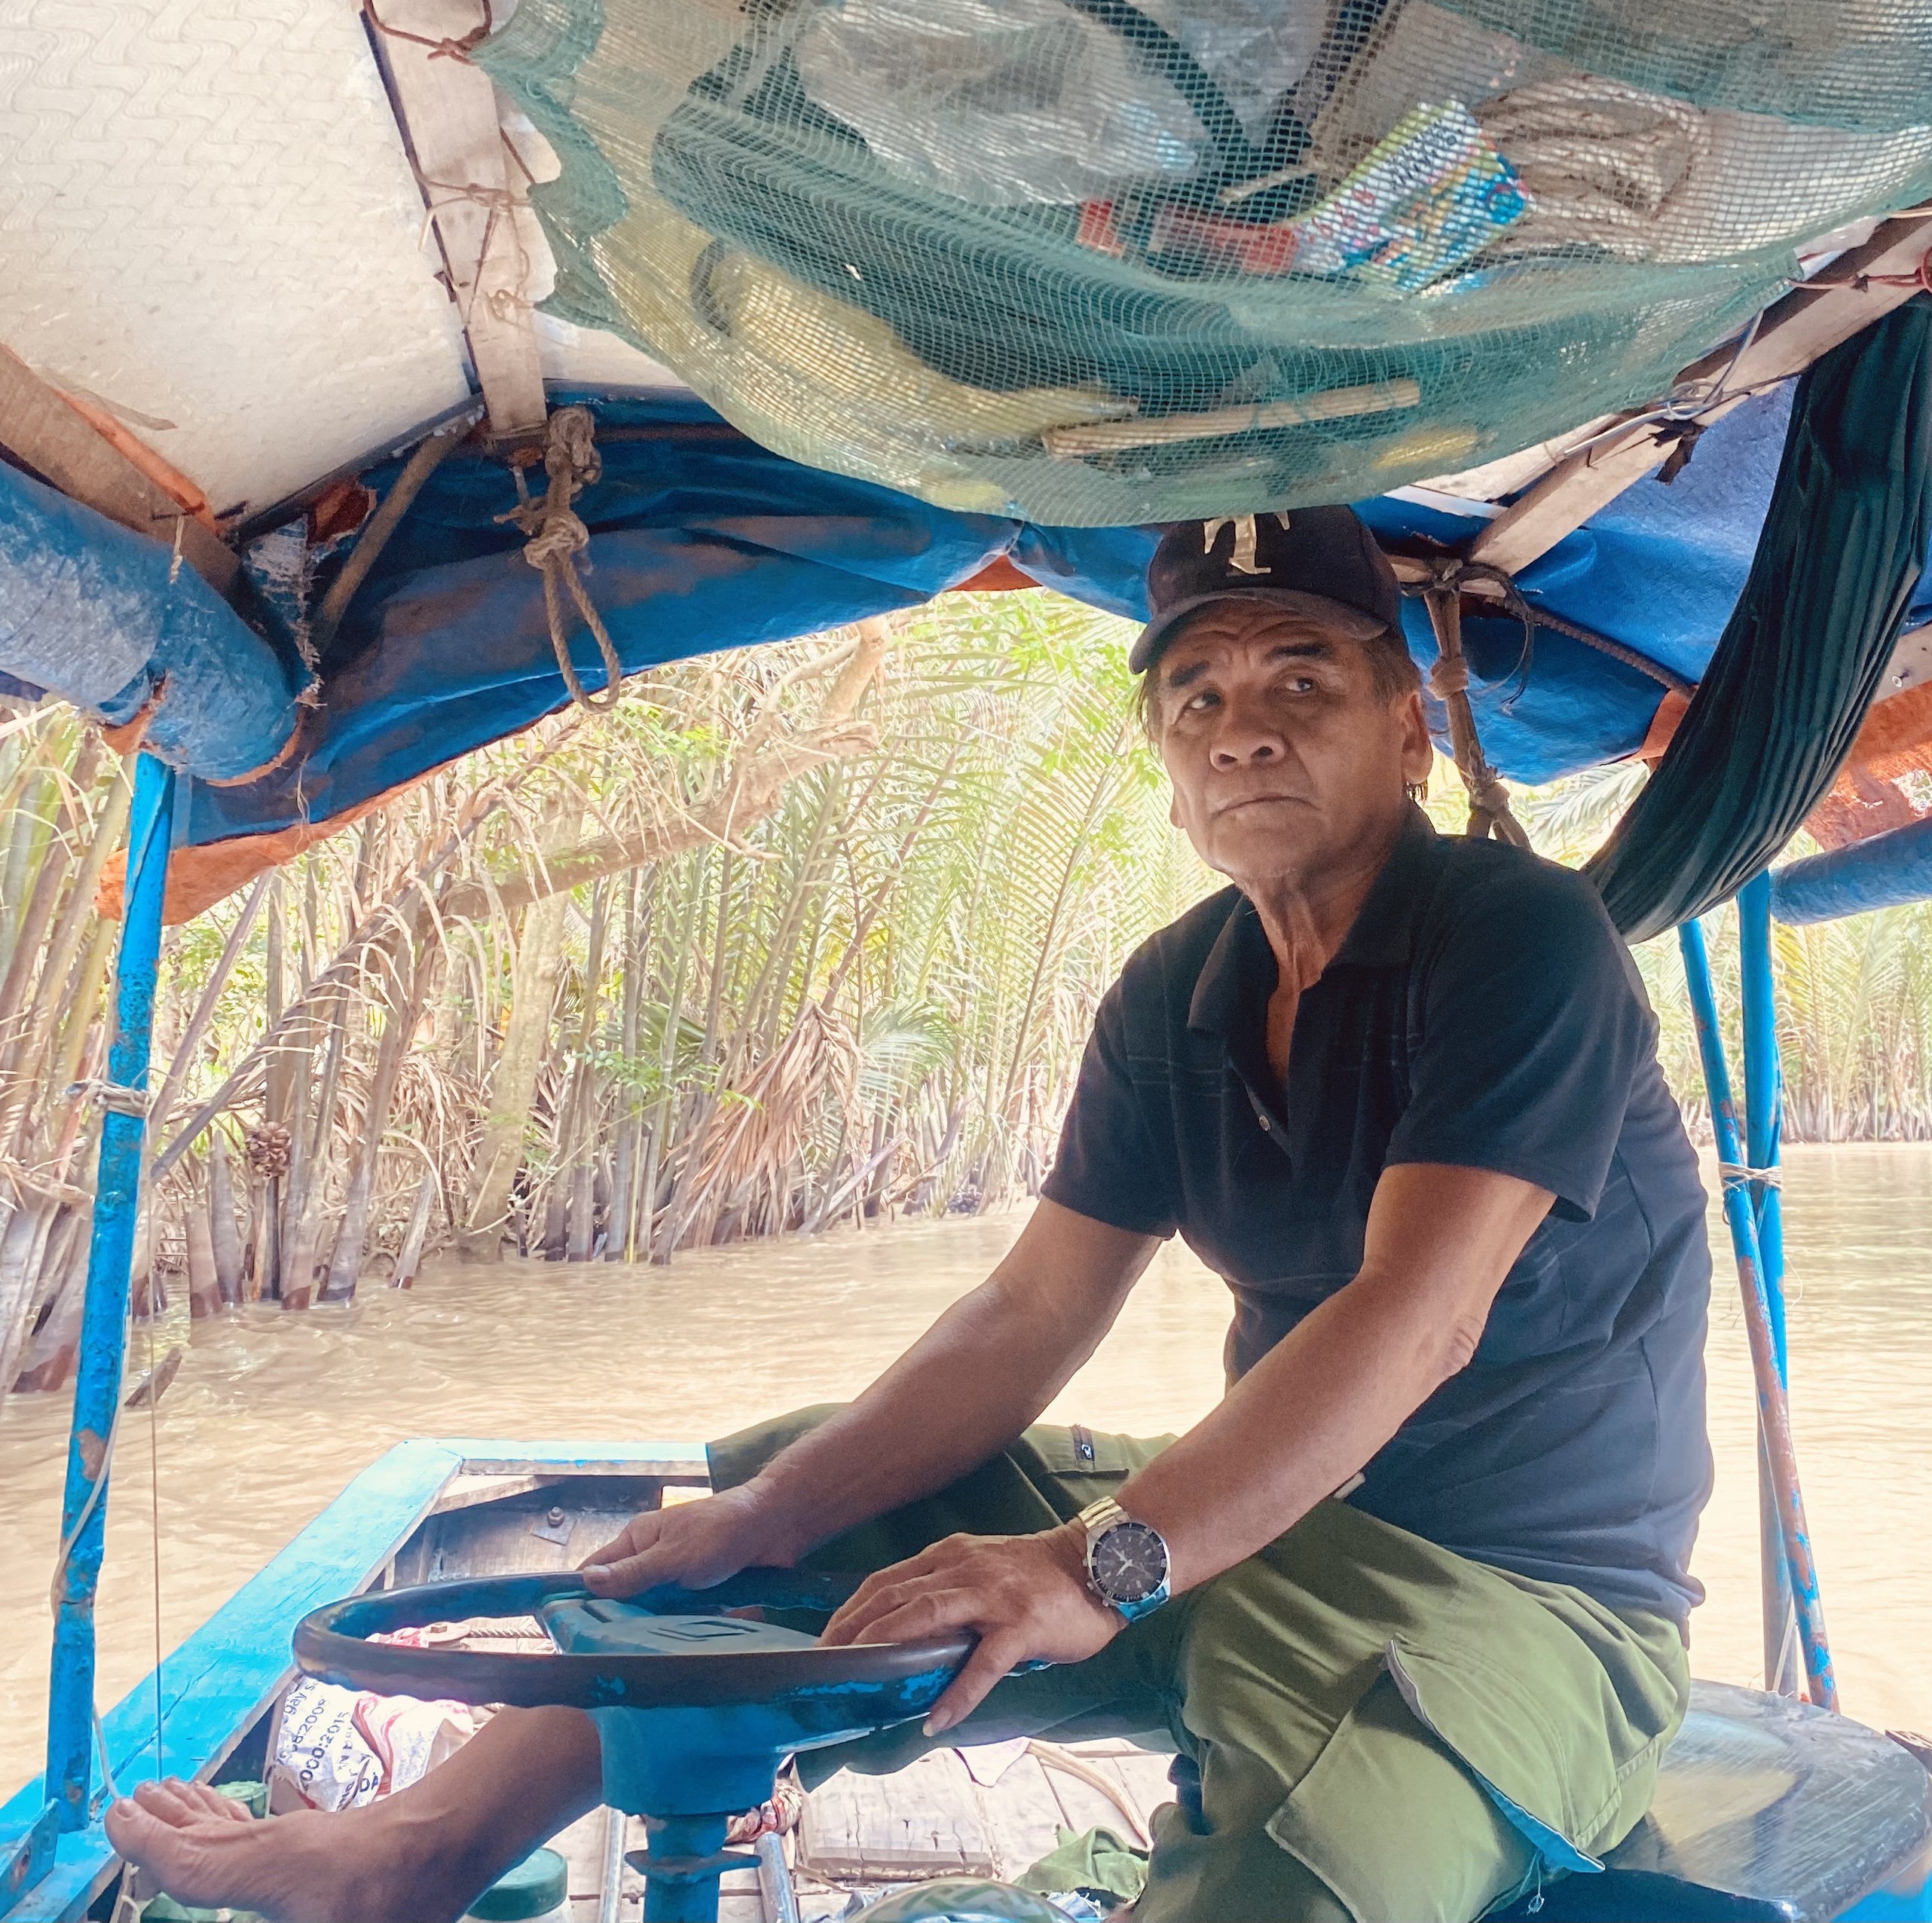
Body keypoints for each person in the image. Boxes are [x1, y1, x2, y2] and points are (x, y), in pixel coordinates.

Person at [110, 508, 1713, 1923]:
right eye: (1197, 697)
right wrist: (771, 1524)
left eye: (1304, 679)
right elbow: (1028, 1314)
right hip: (1269, 1527)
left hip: (1531, 1592)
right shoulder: (1178, 992)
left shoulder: (1522, 936)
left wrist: (1100, 1562)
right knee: (772, 1514)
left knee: (1304, 1870)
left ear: (1409, 731)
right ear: (1164, 769)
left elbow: (1414, 1314)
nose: (1245, 731)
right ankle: (416, 1851)